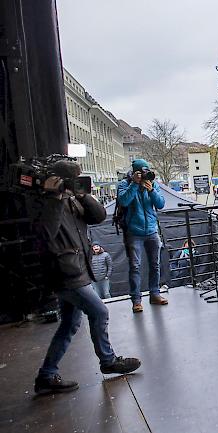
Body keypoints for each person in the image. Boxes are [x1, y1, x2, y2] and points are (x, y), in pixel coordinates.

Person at [33, 160, 140, 395]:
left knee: (70, 325)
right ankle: (108, 360)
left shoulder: (72, 200)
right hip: (65, 273)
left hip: (77, 269)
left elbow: (98, 216)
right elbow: (45, 234)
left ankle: (47, 375)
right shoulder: (46, 201)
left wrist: (82, 195)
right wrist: (55, 197)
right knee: (100, 311)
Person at [117, 159, 166, 313]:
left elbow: (161, 204)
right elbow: (124, 201)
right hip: (134, 231)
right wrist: (134, 184)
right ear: (135, 172)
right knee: (135, 266)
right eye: (141, 172)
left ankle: (155, 294)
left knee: (155, 264)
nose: (145, 175)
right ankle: (136, 300)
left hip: (151, 230)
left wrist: (151, 191)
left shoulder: (152, 183)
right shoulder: (124, 184)